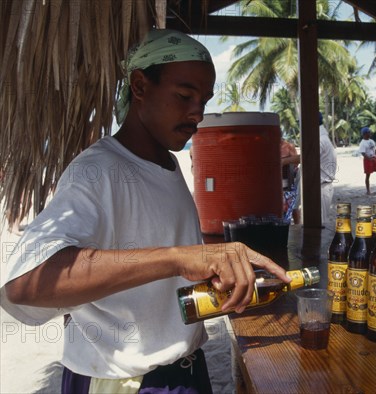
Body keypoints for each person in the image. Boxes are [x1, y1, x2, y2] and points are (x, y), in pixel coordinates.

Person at [0, 29, 289, 393]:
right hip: (126, 382)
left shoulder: (167, 165)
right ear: (139, 86)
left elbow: (160, 278)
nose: (197, 113)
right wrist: (178, 259)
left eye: (204, 99)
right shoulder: (99, 170)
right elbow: (26, 283)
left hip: (185, 369)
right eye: (184, 96)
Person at [358, 127, 376, 194]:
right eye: (368, 132)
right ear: (365, 134)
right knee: (368, 175)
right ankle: (368, 190)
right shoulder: (362, 143)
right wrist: (369, 159)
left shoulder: (371, 141)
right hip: (367, 160)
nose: (370, 133)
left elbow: (375, 150)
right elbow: (363, 153)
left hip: (374, 159)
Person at [319, 112, 337, 224]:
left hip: (322, 187)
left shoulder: (320, 140)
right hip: (324, 186)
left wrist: (285, 160)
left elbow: (307, 159)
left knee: (320, 224)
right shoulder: (323, 138)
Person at [280, 137, 301, 224]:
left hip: (288, 181)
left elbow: (297, 161)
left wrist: (284, 161)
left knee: (293, 208)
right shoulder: (267, 147)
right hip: (274, 184)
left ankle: (297, 226)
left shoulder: (288, 146)